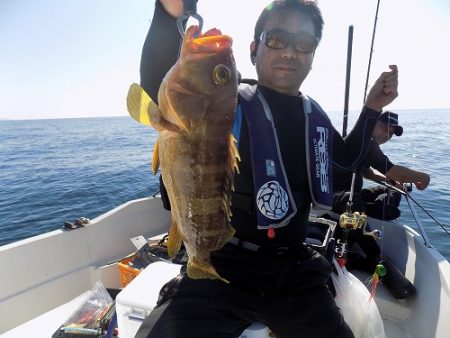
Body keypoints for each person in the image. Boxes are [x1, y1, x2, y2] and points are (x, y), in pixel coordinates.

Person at [135, 1, 399, 337]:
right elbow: (160, 83)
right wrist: (170, 14)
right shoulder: (226, 100)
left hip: (295, 270)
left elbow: (345, 163)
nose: (290, 51)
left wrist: (372, 107)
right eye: (277, 39)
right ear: (254, 49)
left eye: (304, 43)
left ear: (313, 56)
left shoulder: (313, 116)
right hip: (221, 263)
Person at [332, 111, 430, 299]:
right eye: (384, 127)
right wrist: (423, 177)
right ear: (373, 123)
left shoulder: (366, 144)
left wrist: (389, 180)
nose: (387, 134)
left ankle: (361, 250)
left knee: (384, 197)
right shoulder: (366, 142)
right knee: (375, 208)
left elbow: (367, 171)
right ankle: (370, 255)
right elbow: (393, 170)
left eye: (391, 132)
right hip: (339, 199)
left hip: (353, 195)